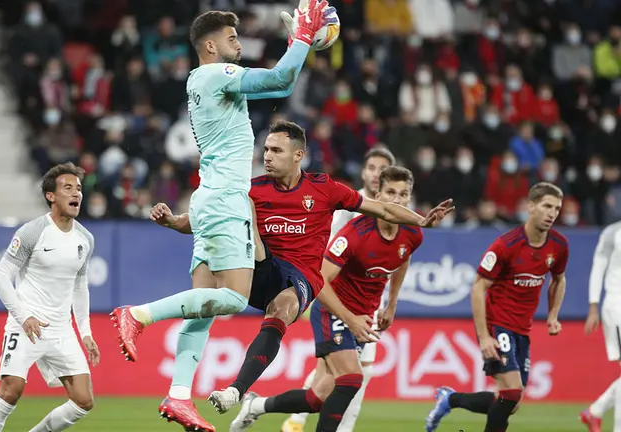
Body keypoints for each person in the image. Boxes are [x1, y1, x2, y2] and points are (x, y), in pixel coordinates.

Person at [109, 4, 334, 430]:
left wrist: (295, 44)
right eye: (232, 39)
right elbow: (280, 80)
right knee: (232, 299)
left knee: (204, 312)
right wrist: (304, 35)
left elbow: (274, 81)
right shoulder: (215, 75)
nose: (239, 44)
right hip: (228, 199)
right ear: (210, 45)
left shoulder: (202, 82)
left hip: (207, 197)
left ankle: (178, 395)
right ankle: (138, 315)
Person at [151, 121, 452, 423]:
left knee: (284, 311)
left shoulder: (325, 189)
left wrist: (422, 221)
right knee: (241, 205)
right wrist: (174, 221)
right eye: (266, 149)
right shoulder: (254, 188)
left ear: (298, 155)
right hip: (263, 269)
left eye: (276, 150)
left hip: (301, 278)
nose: (267, 155)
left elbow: (383, 209)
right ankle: (241, 257)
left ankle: (236, 391)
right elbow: (207, 217)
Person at [229, 166, 422, 432]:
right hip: (335, 311)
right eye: (391, 193)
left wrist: (392, 303)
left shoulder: (412, 234)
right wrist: (350, 319)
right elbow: (321, 282)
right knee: (352, 378)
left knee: (317, 397)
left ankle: (256, 406)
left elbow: (402, 259)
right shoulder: (355, 234)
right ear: (379, 195)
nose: (397, 200)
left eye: (403, 195)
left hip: (363, 318)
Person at [425, 182, 569, 432]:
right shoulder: (507, 245)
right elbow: (478, 287)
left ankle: (450, 399)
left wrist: (553, 315)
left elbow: (558, 279)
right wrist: (483, 337)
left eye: (556, 208)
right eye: (547, 206)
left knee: (511, 401)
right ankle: (451, 399)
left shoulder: (558, 245)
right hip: (498, 324)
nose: (552, 213)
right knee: (512, 393)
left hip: (522, 329)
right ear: (530, 206)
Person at [0, 163, 100, 432]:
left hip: (61, 329)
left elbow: (80, 287)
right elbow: (0, 277)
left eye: (78, 189)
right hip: (26, 327)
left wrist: (86, 332)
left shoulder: (85, 239)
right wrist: (24, 317)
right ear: (51, 196)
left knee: (83, 400)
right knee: (11, 391)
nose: (76, 194)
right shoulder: (32, 232)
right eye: (67, 188)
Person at [282, 148, 395, 432]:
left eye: (382, 168)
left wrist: (390, 302)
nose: (375, 173)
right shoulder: (348, 204)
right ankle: (314, 424)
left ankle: (294, 421)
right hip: (336, 296)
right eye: (371, 167)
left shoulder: (395, 210)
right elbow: (327, 254)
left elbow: (397, 260)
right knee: (353, 372)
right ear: (364, 172)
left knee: (333, 371)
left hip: (368, 302)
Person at [581, 220, 621, 432]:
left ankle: (595, 411)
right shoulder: (614, 232)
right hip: (617, 305)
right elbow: (598, 266)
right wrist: (593, 305)